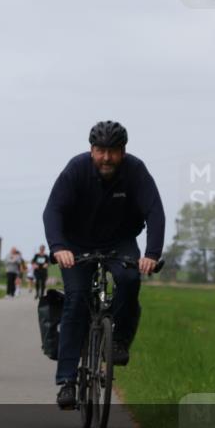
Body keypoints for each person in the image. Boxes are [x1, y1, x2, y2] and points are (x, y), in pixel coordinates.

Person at [43, 121, 164, 409]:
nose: (106, 158)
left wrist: (152, 253)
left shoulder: (136, 171)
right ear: (91, 150)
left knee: (131, 280)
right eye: (100, 151)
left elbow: (154, 212)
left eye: (112, 151)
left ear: (123, 152)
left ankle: (119, 341)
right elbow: (53, 211)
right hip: (76, 245)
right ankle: (67, 382)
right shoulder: (76, 169)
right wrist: (59, 248)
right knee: (76, 300)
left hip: (119, 242)